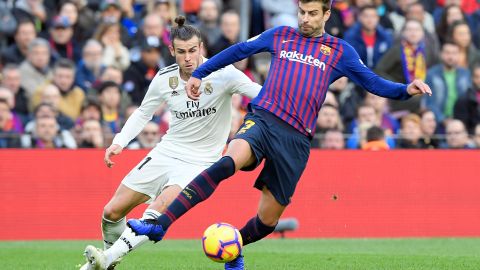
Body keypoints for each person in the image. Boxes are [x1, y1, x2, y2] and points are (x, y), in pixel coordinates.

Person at [127, 1, 432, 269]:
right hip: (263, 118)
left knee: (267, 221)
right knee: (225, 163)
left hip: (296, 139)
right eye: (301, 11)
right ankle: (161, 225)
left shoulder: (340, 51)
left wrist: (405, 90)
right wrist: (199, 73)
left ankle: (234, 248)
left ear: (326, 14)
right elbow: (239, 50)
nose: (305, 19)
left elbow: (373, 83)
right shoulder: (281, 35)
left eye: (313, 13)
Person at [80, 16, 261, 270]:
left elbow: (260, 93)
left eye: (193, 50)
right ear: (172, 51)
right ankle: (109, 261)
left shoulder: (224, 74)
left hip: (200, 162)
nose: (188, 58)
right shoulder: (164, 78)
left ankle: (102, 261)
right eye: (182, 52)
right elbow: (144, 112)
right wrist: (120, 141)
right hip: (166, 151)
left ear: (201, 48)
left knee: (159, 208)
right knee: (111, 212)